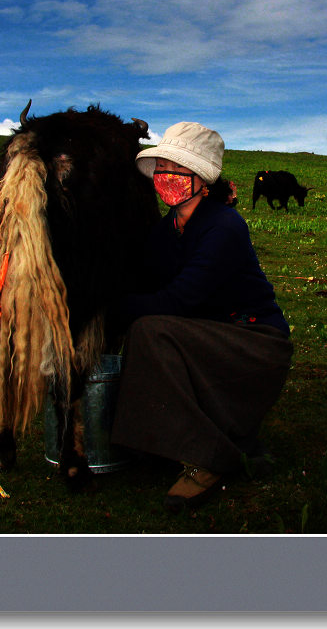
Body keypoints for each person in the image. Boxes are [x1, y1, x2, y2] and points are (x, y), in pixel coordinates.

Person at [110, 121, 293, 512]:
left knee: (151, 329)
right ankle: (157, 439)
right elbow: (144, 284)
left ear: (202, 181)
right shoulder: (166, 231)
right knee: (146, 326)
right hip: (210, 330)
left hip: (255, 340)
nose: (165, 178)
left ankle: (208, 458)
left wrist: (113, 307)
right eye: (161, 169)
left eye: (176, 171)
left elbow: (178, 299)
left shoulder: (224, 226)